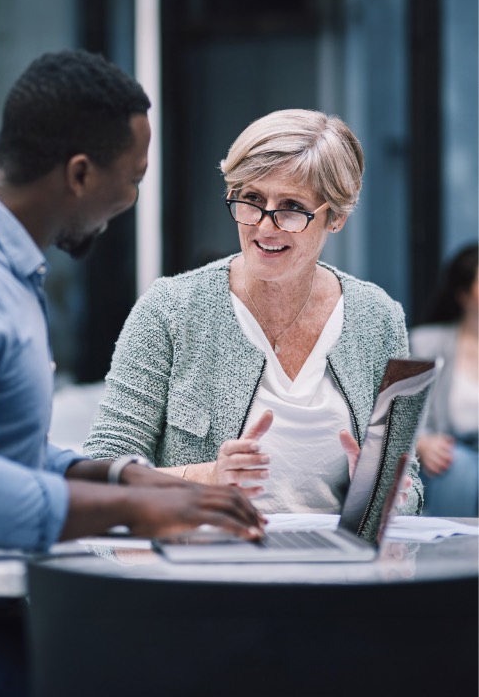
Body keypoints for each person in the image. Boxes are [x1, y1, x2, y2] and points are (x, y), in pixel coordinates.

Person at [0, 49, 264, 697]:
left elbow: (6, 454)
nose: (133, 200)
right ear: (81, 174)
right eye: (134, 177)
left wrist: (121, 474)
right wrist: (132, 508)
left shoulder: (2, 272)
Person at [85, 108, 423, 525]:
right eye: (251, 200)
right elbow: (102, 473)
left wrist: (379, 494)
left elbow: (409, 489)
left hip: (335, 575)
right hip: (208, 572)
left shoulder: (378, 318)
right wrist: (207, 477)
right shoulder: (171, 308)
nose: (265, 226)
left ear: (336, 218)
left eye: (292, 207)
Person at [409, 243, 478, 516]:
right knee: (456, 465)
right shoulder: (426, 343)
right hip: (450, 454)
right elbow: (405, 416)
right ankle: (450, 554)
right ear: (463, 293)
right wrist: (422, 444)